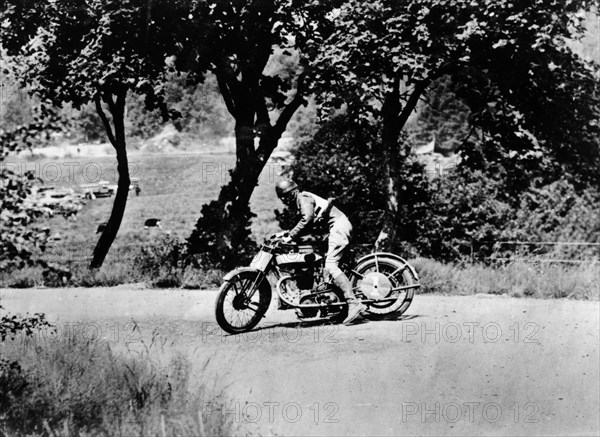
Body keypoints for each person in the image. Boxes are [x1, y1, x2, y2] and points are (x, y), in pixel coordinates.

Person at [275, 179, 367, 325]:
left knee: (331, 266)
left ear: (292, 193)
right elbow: (304, 224)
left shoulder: (303, 198)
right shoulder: (301, 201)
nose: (284, 201)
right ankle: (339, 306)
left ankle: (353, 303)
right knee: (323, 266)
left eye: (284, 197)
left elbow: (307, 220)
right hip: (337, 227)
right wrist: (285, 234)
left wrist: (290, 236)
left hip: (338, 226)